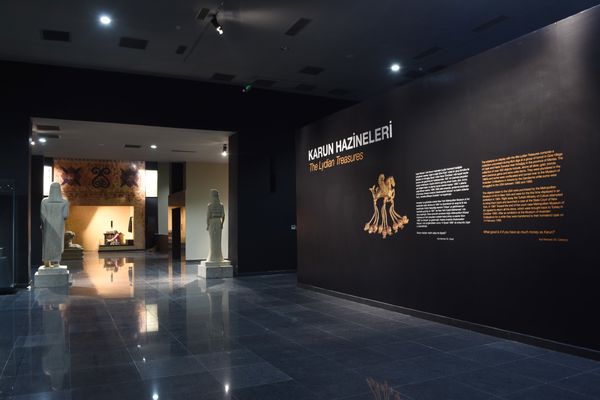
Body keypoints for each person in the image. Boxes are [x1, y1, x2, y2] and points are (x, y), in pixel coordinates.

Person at [41, 182, 69, 267]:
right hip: (59, 226)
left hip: (48, 226)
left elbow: (42, 215)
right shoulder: (64, 202)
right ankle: (56, 262)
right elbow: (65, 215)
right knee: (58, 243)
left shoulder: (44, 201)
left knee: (48, 242)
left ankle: (47, 261)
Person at [206, 189, 225, 262]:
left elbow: (208, 216)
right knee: (218, 241)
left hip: (212, 222)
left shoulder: (210, 205)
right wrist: (222, 224)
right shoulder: (221, 205)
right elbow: (223, 216)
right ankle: (219, 257)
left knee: (213, 240)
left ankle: (212, 257)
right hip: (218, 222)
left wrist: (207, 225)